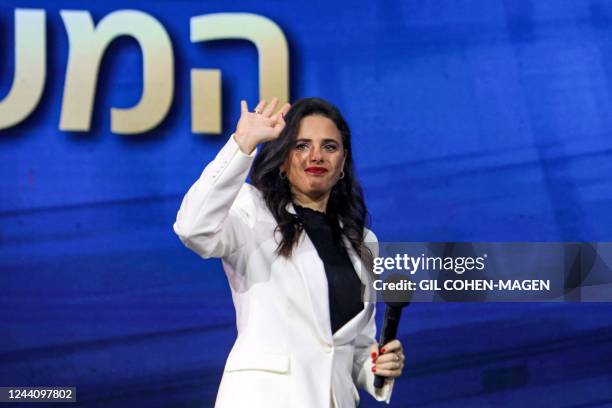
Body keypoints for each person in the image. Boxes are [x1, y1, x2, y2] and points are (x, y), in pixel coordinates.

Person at [173, 97, 404, 407]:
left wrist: (377, 365)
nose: (316, 156)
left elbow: (353, 346)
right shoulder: (251, 210)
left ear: (343, 163)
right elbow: (192, 228)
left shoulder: (362, 240)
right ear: (283, 160)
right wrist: (241, 144)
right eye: (301, 146)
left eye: (329, 147)